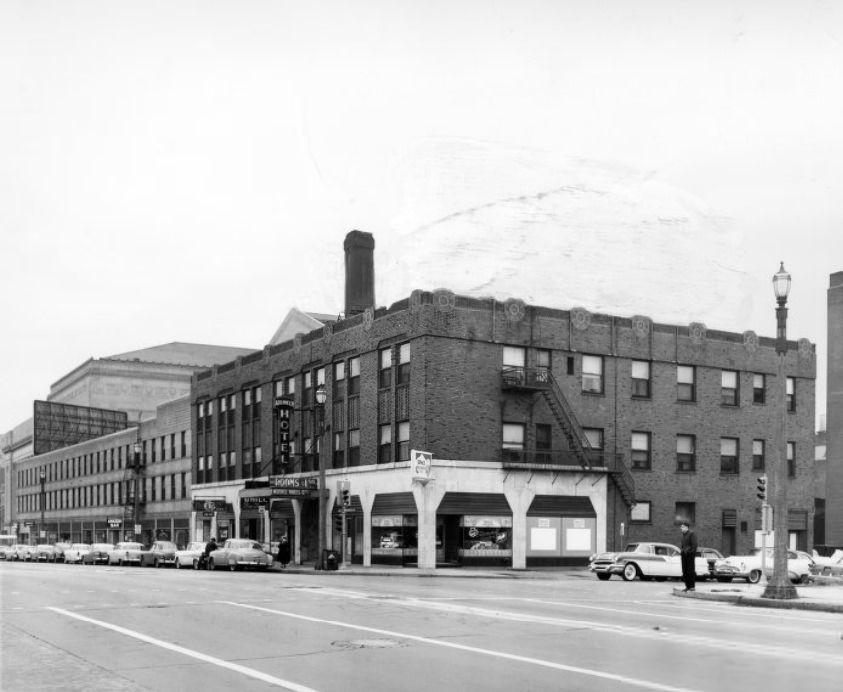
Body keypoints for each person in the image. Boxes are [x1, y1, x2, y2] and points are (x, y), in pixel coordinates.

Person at [679, 522, 697, 591]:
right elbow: (683, 545)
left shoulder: (691, 534)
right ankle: (687, 586)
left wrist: (691, 552)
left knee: (690, 570)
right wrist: (682, 552)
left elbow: (694, 544)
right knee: (685, 570)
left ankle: (692, 586)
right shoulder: (683, 535)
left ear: (687, 527)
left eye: (682, 527)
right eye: (681, 527)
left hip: (689, 555)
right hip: (684, 555)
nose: (681, 528)